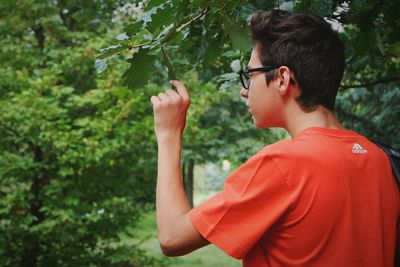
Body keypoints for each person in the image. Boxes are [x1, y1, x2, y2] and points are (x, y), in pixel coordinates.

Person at [150, 9, 400, 267]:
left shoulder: (282, 164)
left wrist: (168, 134)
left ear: (282, 78)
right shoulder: (380, 159)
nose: (244, 91)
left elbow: (172, 237)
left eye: (251, 75)